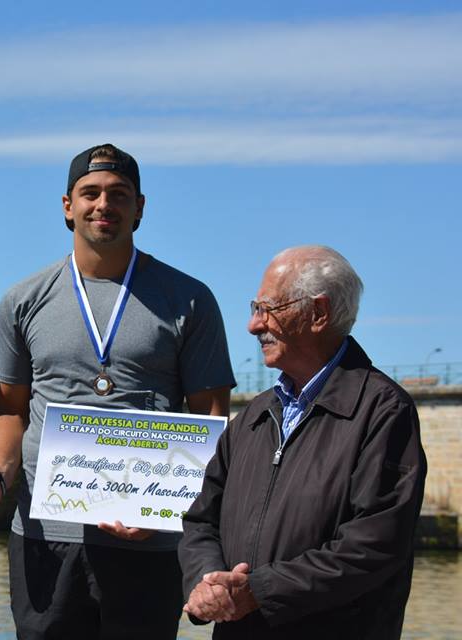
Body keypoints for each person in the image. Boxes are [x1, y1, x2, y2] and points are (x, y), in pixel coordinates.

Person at [0, 144, 234, 639]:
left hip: (148, 543)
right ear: (67, 206)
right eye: (91, 193)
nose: (104, 204)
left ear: (140, 208)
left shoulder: (190, 298)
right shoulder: (22, 300)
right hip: (44, 537)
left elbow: (210, 420)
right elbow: (11, 410)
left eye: (119, 194)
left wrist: (165, 509)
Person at [178, 246, 427, 639]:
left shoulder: (382, 412)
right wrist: (208, 584)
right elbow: (200, 519)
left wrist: (259, 592)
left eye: (266, 308)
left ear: (319, 314)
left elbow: (374, 545)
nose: (253, 325)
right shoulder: (254, 418)